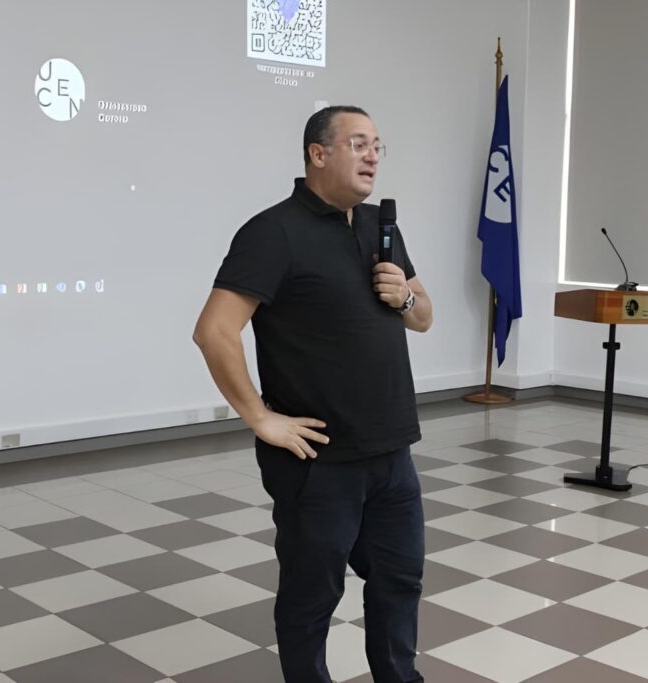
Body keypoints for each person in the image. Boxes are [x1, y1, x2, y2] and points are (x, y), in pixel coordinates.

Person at [193, 105, 433, 683]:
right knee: (311, 597)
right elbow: (214, 331)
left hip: (392, 452)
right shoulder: (272, 231)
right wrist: (261, 418)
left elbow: (423, 317)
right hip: (317, 461)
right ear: (317, 154)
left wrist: (402, 295)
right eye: (358, 143)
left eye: (378, 144)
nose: (373, 154)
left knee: (400, 581)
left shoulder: (382, 226)